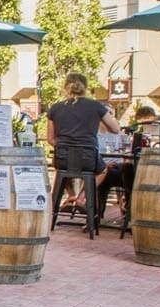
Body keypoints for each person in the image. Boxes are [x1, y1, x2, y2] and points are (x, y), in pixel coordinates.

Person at [46, 73, 121, 212]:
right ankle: (81, 198)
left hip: (63, 158)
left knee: (61, 170)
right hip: (88, 157)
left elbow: (50, 139)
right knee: (102, 171)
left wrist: (66, 146)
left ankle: (71, 196)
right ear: (85, 88)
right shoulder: (96, 106)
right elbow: (116, 129)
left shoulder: (55, 108)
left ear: (65, 87)